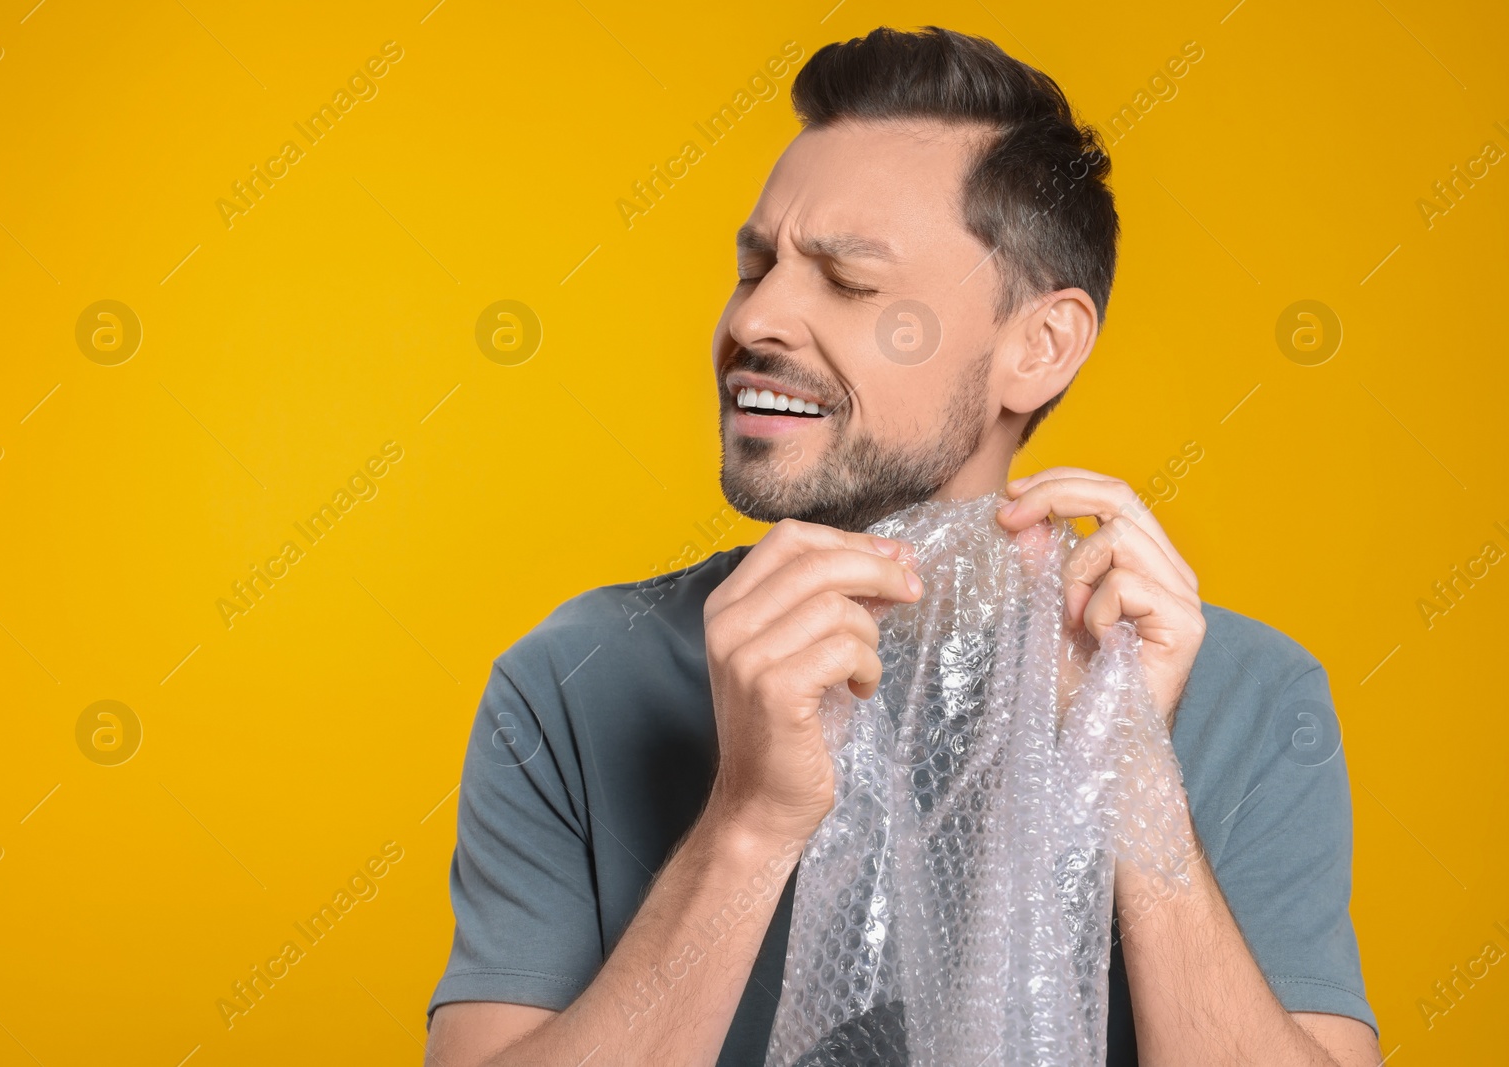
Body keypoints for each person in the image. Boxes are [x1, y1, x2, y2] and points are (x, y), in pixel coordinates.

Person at [423, 26, 1381, 1066]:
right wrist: (748, 821)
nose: (759, 318)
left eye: (847, 281)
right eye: (756, 267)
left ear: (1037, 347)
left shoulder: (1242, 694)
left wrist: (1129, 776)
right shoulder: (578, 679)